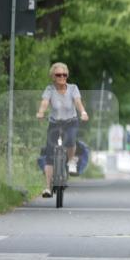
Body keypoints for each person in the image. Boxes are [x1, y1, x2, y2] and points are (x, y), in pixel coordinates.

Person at [35, 62, 89, 198]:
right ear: (53, 76)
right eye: (58, 75)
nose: (62, 77)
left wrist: (83, 112)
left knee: (70, 141)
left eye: (64, 75)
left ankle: (70, 161)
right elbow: (45, 102)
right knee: (49, 155)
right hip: (54, 123)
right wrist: (41, 112)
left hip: (70, 122)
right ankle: (47, 187)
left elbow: (77, 102)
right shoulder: (49, 89)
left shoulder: (73, 88)